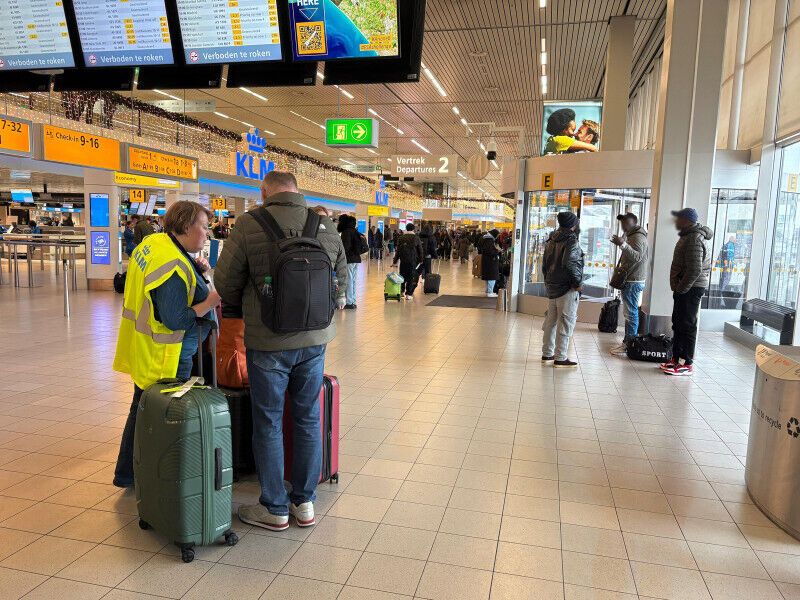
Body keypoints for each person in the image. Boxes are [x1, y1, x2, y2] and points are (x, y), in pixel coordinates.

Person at [214, 171, 348, 531]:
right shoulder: (324, 223)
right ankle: (304, 503)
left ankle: (274, 507)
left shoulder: (248, 224)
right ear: (297, 191)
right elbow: (343, 282)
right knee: (308, 418)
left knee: (269, 422)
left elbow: (225, 285)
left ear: (264, 192)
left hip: (268, 342)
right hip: (314, 341)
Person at [112, 201, 220, 488]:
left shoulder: (155, 244)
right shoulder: (170, 264)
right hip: (166, 355)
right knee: (164, 418)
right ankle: (161, 479)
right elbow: (176, 319)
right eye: (204, 227)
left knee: (141, 409)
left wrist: (200, 270)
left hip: (144, 347)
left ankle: (127, 473)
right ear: (186, 226)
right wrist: (208, 303)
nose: (207, 234)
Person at [662, 207, 713, 376]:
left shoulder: (694, 239)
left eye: (679, 218)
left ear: (687, 220)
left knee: (687, 325)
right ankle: (675, 359)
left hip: (691, 288)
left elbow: (694, 269)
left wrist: (681, 289)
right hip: (685, 288)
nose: (676, 222)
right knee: (678, 323)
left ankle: (686, 362)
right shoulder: (688, 236)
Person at [541, 211, 584, 368]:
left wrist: (548, 281)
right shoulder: (571, 240)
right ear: (573, 224)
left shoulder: (552, 239)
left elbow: (544, 264)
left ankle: (547, 353)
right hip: (567, 287)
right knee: (566, 321)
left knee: (550, 321)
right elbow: (571, 264)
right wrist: (577, 283)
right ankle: (560, 357)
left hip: (552, 286)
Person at [609, 213, 649, 354]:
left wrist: (623, 244)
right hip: (631, 279)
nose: (623, 226)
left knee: (631, 314)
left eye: (626, 223)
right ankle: (628, 342)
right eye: (622, 223)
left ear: (634, 222)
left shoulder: (638, 237)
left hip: (633, 280)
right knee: (629, 313)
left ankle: (629, 344)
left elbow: (637, 257)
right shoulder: (631, 235)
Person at [393, 223, 424, 300]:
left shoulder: (401, 237)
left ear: (406, 229)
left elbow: (398, 251)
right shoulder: (416, 238)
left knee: (402, 275)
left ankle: (401, 291)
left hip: (403, 260)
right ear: (413, 229)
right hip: (412, 260)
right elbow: (420, 250)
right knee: (410, 276)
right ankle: (408, 294)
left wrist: (395, 261)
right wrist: (421, 259)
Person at [338, 215, 361, 309]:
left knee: (349, 280)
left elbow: (346, 247)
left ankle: (349, 302)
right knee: (353, 280)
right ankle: (353, 301)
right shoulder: (355, 231)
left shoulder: (346, 232)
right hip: (356, 259)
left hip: (349, 259)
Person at [480, 229, 501, 298]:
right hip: (490, 261)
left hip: (487, 261)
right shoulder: (489, 240)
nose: (497, 237)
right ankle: (490, 292)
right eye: (497, 235)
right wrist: (497, 251)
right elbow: (490, 251)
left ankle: (488, 290)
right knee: (492, 276)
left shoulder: (486, 239)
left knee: (488, 277)